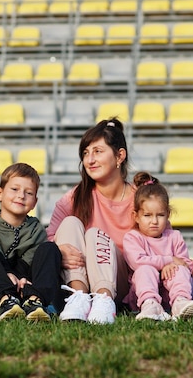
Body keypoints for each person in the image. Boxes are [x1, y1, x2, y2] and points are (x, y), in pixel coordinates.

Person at [46, 118, 133, 324]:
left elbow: (163, 242)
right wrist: (60, 250)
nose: (90, 160)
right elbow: (48, 241)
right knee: (69, 223)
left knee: (95, 233)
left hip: (121, 283)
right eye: (85, 153)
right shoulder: (72, 198)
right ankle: (79, 298)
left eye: (98, 151)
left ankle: (104, 300)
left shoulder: (140, 198)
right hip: (78, 276)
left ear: (120, 155)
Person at [0, 163, 62, 322]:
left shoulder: (36, 229)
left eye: (28, 192)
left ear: (34, 202)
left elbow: (29, 262)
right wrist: (7, 275)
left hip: (24, 291)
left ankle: (35, 301)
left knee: (50, 249)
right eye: (15, 189)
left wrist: (23, 280)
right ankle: (6, 300)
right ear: (0, 193)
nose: (21, 195)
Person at [122, 172, 193, 321]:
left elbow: (183, 262)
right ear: (136, 216)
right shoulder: (133, 238)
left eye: (160, 215)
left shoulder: (174, 236)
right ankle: (150, 305)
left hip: (170, 293)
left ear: (168, 215)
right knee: (144, 269)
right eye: (147, 215)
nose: (154, 221)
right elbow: (137, 261)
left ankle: (180, 303)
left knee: (180, 269)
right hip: (143, 293)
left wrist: (190, 269)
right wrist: (168, 261)